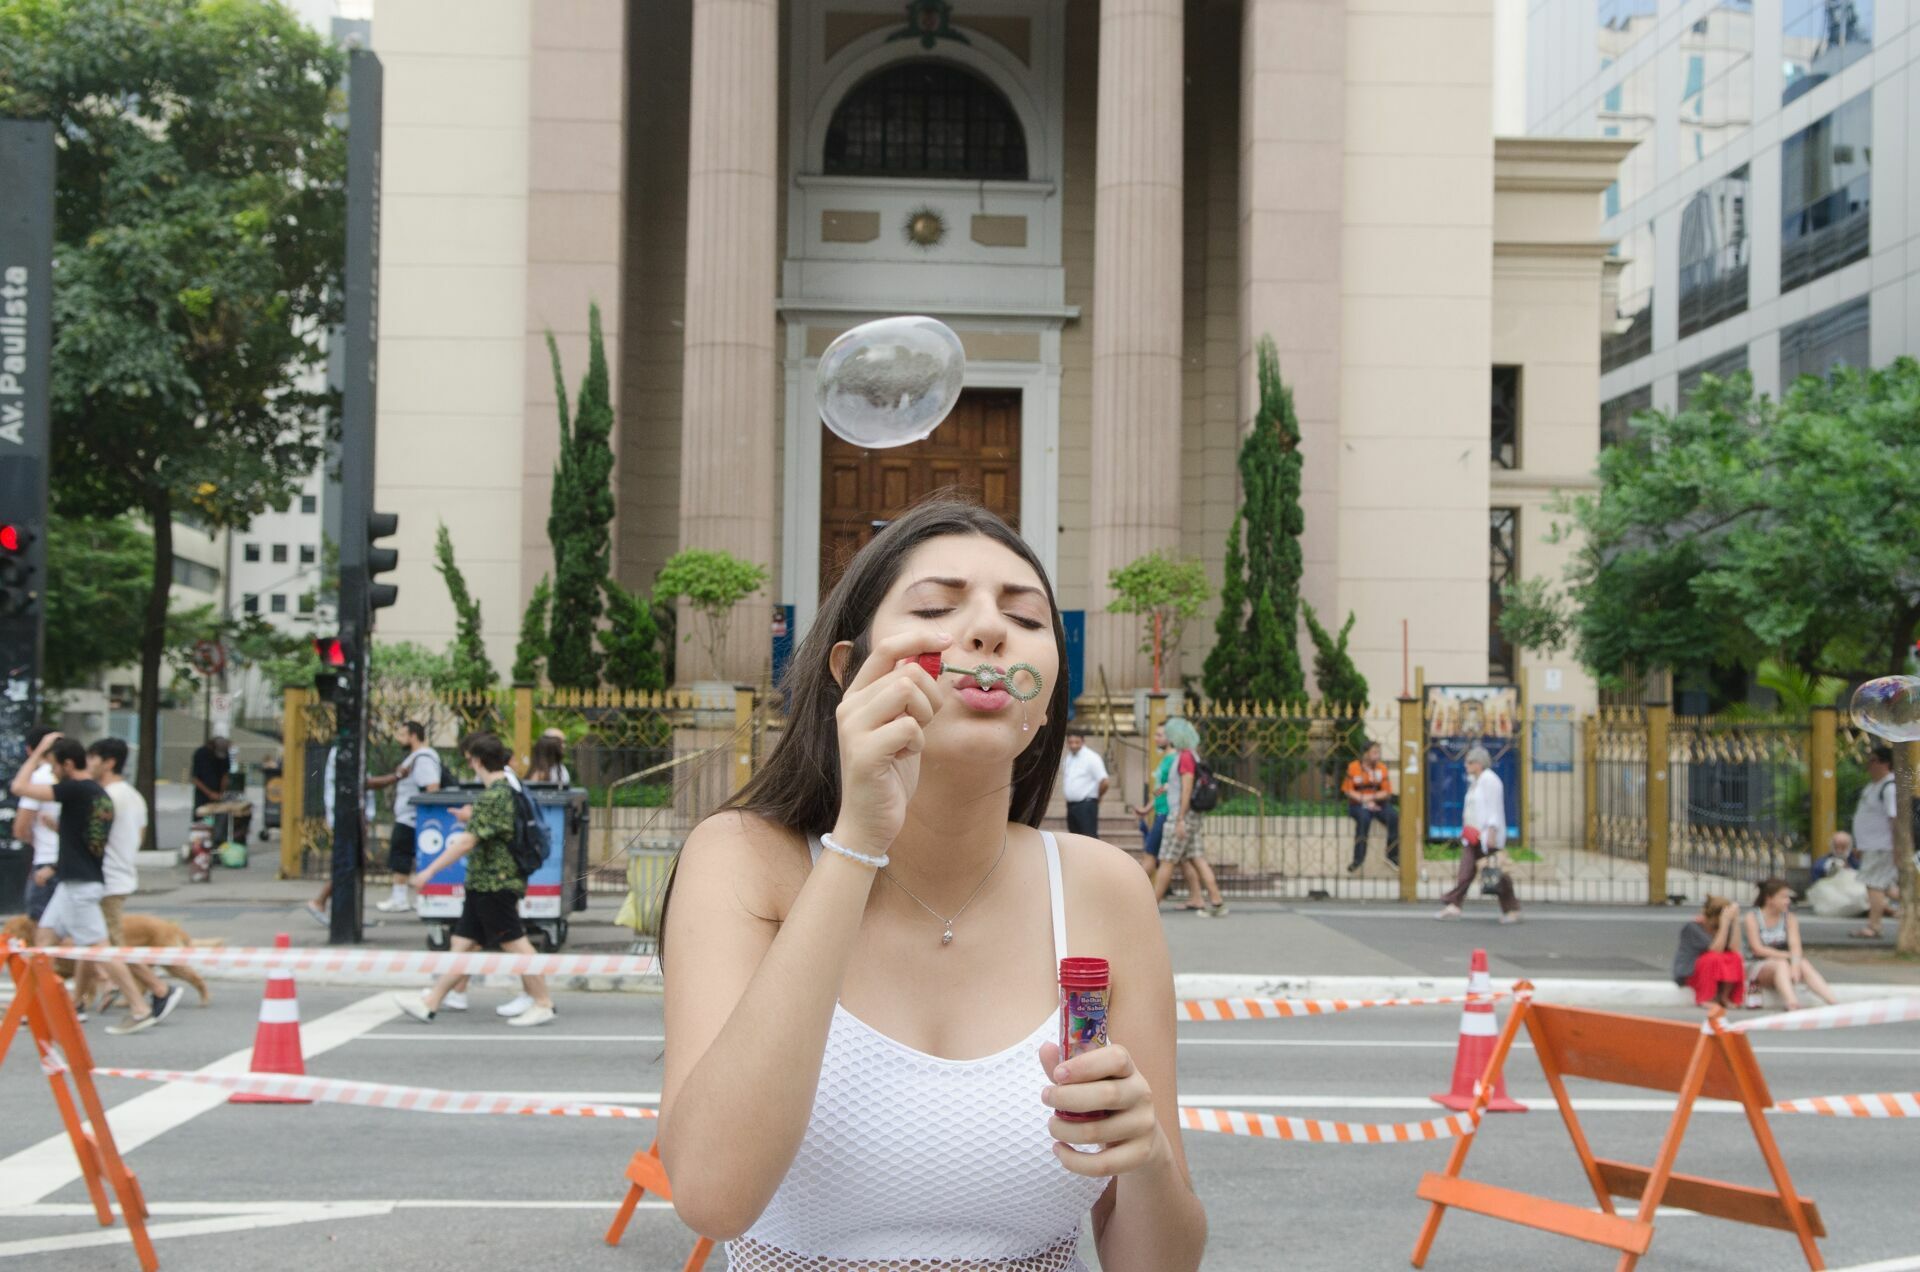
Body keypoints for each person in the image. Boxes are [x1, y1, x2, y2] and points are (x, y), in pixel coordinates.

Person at [656, 499, 1206, 1267]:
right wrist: (857, 844)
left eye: (1026, 617)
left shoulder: (1103, 888)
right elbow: (713, 1196)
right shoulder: (744, 860)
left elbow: (1160, 1262)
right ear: (849, 672)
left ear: (1045, 704)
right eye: (938, 607)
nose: (987, 631)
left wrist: (1143, 1158)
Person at [392, 732, 555, 1028]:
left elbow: (467, 842)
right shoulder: (503, 792)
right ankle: (432, 1001)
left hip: (495, 884)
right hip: (484, 883)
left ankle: (542, 1002)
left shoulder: (496, 795)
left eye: (469, 760)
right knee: (463, 944)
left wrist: (429, 871)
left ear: (478, 761)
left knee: (516, 945)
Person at [11, 734, 157, 1033]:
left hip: (80, 885)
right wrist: (55, 868)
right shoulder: (94, 792)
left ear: (66, 764)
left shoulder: (76, 790)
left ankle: (141, 1007)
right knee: (43, 942)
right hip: (74, 880)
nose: (50, 772)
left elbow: (18, 787)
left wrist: (37, 751)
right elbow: (82, 840)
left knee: (100, 949)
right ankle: (30, 1008)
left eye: (52, 765)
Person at [77, 739, 180, 1021]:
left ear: (108, 763)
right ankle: (78, 1002)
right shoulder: (133, 796)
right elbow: (141, 835)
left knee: (108, 945)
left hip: (106, 879)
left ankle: (159, 989)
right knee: (92, 941)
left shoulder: (107, 796)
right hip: (121, 874)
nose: (88, 765)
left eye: (93, 759)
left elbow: (94, 839)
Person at [1148, 718, 1228, 918]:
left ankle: (1151, 908)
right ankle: (1217, 901)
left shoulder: (1184, 757)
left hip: (1181, 815)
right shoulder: (1192, 755)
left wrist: (1180, 818)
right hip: (1189, 815)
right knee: (1197, 857)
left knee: (1166, 859)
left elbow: (1187, 787)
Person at [366, 721, 443, 914]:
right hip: (410, 816)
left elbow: (432, 787)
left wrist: (423, 814)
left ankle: (400, 898)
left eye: (402, 735)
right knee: (406, 856)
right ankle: (412, 896)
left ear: (413, 736)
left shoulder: (423, 758)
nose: (398, 739)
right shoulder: (416, 757)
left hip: (412, 817)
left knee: (401, 856)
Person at [1437, 746, 1520, 922]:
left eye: (1470, 762)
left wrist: (1491, 831)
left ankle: (1511, 909)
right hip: (1473, 835)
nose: (1466, 765)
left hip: (1486, 836)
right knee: (1466, 870)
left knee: (1498, 872)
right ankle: (1454, 904)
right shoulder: (1476, 781)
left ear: (1479, 763)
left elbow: (1494, 808)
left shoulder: (1490, 780)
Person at [304, 742, 380, 928]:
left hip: (352, 816)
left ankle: (350, 913)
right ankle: (320, 901)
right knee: (348, 863)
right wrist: (396, 776)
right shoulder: (345, 751)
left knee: (353, 864)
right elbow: (359, 784)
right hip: (346, 817)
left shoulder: (352, 750)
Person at [1743, 878, 1837, 1012]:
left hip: (1784, 963)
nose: (1787, 901)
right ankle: (1792, 1002)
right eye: (1783, 897)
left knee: (1802, 963)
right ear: (1769, 898)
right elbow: (1757, 949)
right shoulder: (1752, 917)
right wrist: (1787, 956)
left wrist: (1795, 963)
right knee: (1781, 964)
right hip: (1757, 964)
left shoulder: (1789, 918)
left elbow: (1795, 946)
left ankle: (1832, 1001)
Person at [1851, 746, 1899, 940]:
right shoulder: (1873, 786)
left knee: (1875, 885)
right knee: (1885, 887)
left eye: (1873, 761)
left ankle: (1874, 926)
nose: (1868, 765)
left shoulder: (1890, 787)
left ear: (1885, 764)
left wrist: (1897, 848)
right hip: (1871, 845)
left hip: (1882, 846)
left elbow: (1894, 819)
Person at [14, 726, 60, 922]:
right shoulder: (67, 777)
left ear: (30, 750)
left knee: (40, 927)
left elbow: (20, 828)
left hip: (45, 861)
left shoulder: (38, 778)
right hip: (68, 861)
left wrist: (33, 840)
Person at [1674, 895, 1746, 1007]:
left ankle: (1724, 996)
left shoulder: (1723, 926)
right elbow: (1716, 949)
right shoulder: (1693, 927)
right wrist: (1725, 923)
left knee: (1735, 957)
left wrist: (1735, 921)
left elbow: (1735, 948)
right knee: (1713, 957)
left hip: (1715, 972)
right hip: (1691, 972)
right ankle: (1706, 998)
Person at [1342, 738, 1400, 872]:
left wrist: (1372, 798)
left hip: (1379, 804)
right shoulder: (1353, 767)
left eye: (1378, 752)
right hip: (1358, 804)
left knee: (1394, 817)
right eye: (1374, 752)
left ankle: (1392, 855)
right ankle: (1358, 860)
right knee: (1363, 819)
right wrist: (1365, 800)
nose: (1377, 755)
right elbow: (1348, 791)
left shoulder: (1382, 768)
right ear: (1365, 754)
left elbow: (1386, 792)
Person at [1059, 727, 1110, 838]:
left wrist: (1098, 796)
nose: (1073, 745)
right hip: (1071, 806)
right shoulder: (1068, 758)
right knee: (1074, 839)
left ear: (1083, 741)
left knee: (1089, 839)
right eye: (1071, 742)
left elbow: (1105, 782)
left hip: (1086, 805)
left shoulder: (1092, 758)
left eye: (1076, 742)